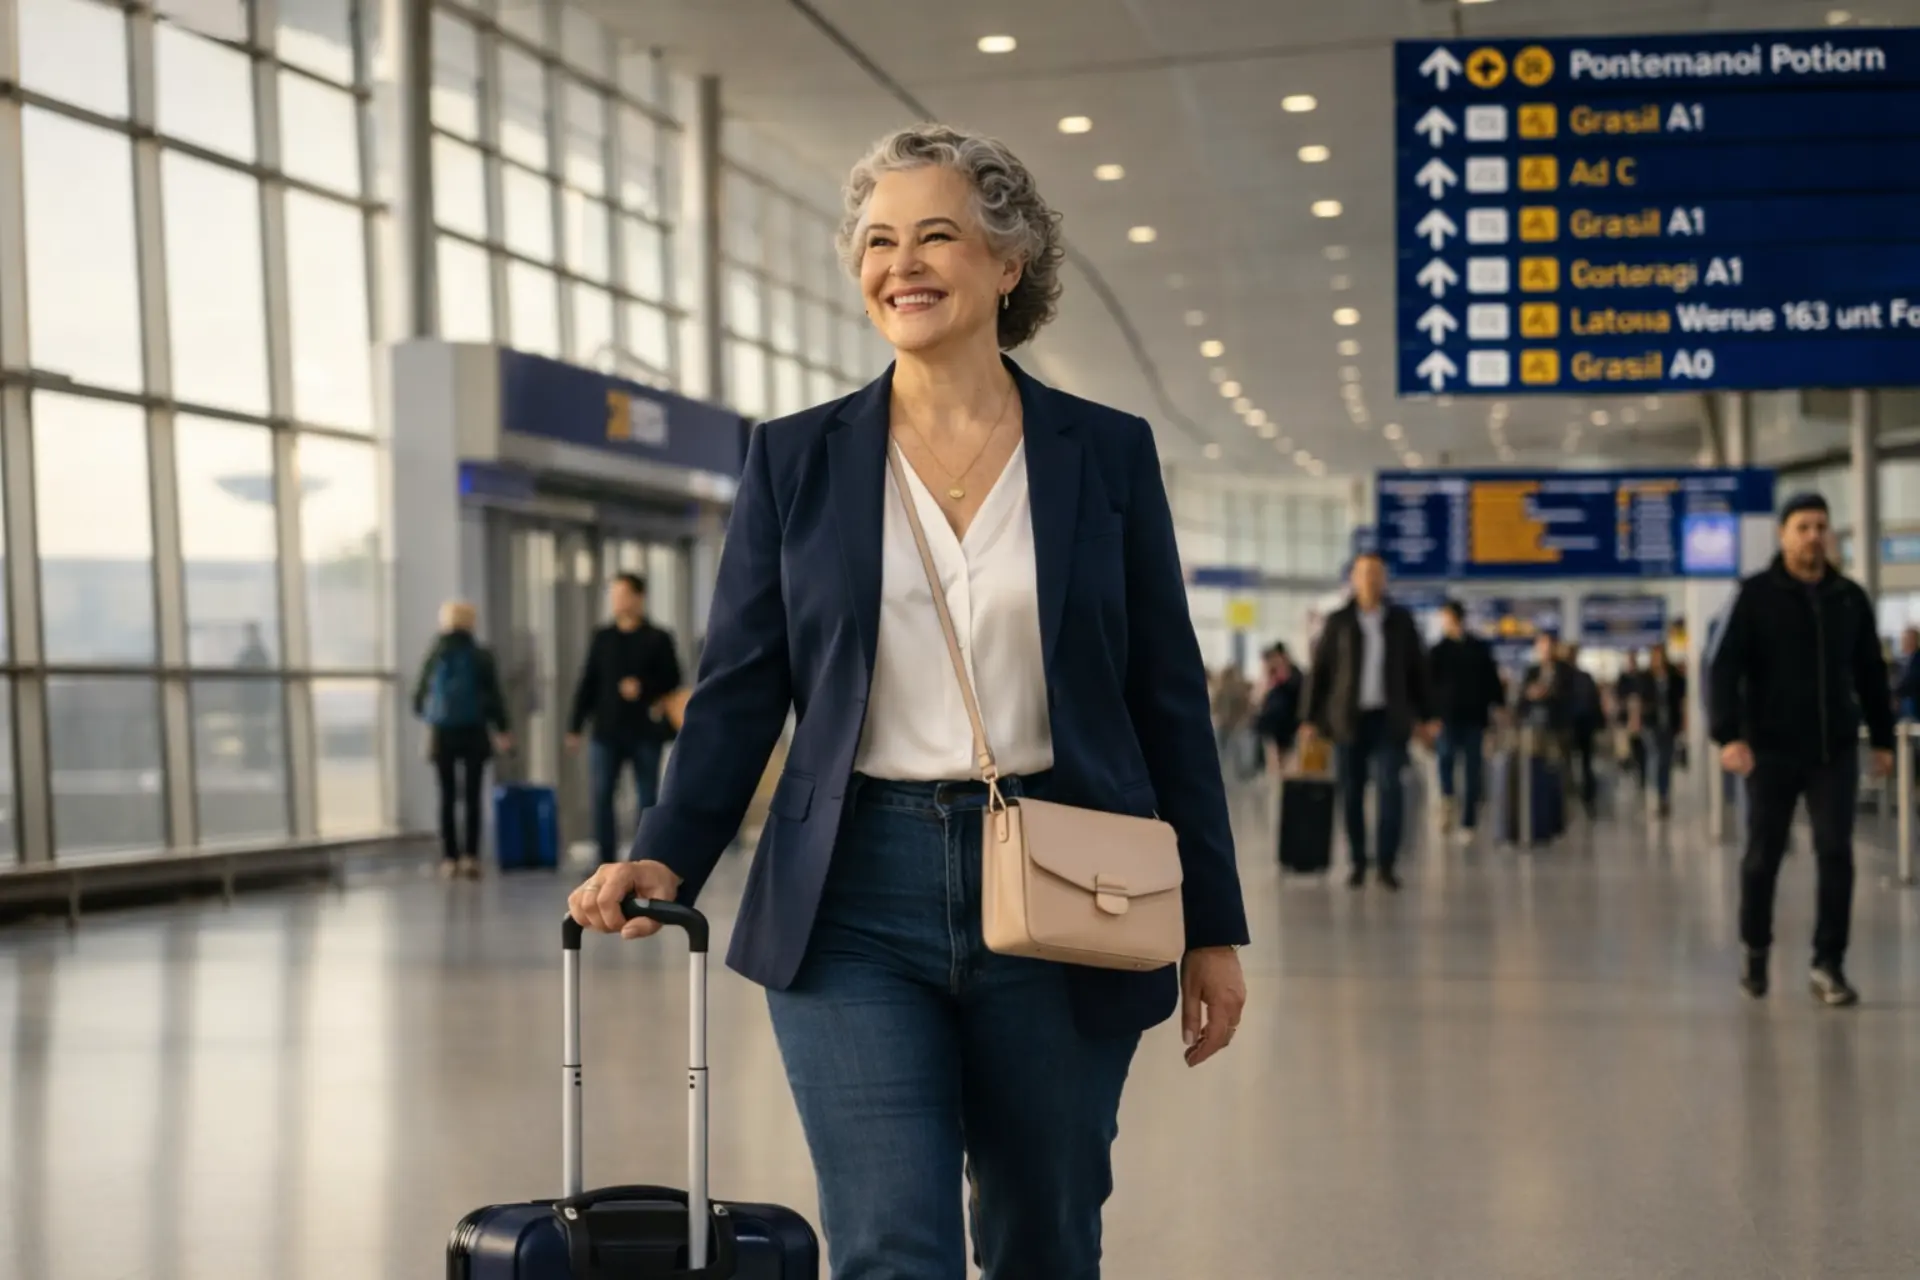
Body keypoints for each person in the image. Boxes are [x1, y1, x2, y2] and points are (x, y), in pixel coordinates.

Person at [566, 123, 1249, 1279]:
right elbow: (742, 687)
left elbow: (1164, 694)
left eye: (937, 235)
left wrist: (1213, 922)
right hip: (851, 888)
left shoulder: (1104, 453)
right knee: (892, 1244)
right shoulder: (800, 458)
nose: (903, 263)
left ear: (1006, 261)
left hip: (1067, 872)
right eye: (879, 241)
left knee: (1044, 1233)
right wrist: (665, 852)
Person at [1709, 492, 1893, 1006]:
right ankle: (1756, 946)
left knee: (1836, 852)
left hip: (1832, 749)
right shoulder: (1753, 596)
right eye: (1803, 527)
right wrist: (1728, 735)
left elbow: (1871, 675)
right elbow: (1722, 668)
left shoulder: (1849, 599)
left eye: (1820, 527)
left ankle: (1828, 962)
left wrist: (1881, 738)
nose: (1814, 536)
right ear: (1783, 535)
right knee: (1763, 855)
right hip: (1769, 748)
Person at [1299, 552, 1436, 890]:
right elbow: (1320, 672)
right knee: (1352, 793)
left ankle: (1387, 863)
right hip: (1347, 720)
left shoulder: (1401, 621)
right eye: (1364, 573)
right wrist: (1309, 718)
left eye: (1376, 573)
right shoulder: (1339, 621)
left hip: (1390, 720)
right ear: (1353, 579)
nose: (1371, 580)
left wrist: (1428, 715)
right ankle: (1358, 861)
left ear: (1384, 579)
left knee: (1391, 790)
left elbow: (1418, 671)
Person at [566, 573, 683, 865]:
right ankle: (605, 861)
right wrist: (575, 726)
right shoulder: (603, 638)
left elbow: (674, 679)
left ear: (638, 597)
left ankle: (645, 860)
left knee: (647, 798)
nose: (617, 601)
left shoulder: (658, 638)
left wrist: (643, 686)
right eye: (614, 595)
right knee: (602, 797)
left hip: (645, 730)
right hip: (606, 730)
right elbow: (588, 682)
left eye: (623, 594)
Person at [412, 601, 511, 879]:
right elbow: (493, 696)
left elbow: (418, 697)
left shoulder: (435, 653)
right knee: (472, 794)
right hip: (474, 730)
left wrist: (431, 714)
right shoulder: (480, 655)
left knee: (445, 795)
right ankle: (471, 856)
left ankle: (448, 858)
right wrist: (503, 729)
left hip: (443, 732)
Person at [1427, 600, 1503, 840]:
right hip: (1447, 718)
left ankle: (1468, 820)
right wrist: (1429, 716)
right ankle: (1447, 801)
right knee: (1445, 761)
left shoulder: (1479, 649)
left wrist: (1497, 707)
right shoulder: (1437, 651)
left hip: (1474, 717)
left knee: (1473, 770)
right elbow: (1427, 687)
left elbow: (1491, 681)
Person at [1633, 644, 1687, 819]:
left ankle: (1664, 796)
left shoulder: (1674, 677)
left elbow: (1682, 701)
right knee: (1654, 758)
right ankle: (1654, 796)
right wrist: (1637, 720)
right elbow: (1638, 701)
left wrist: (1684, 721)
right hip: (1651, 723)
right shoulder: (1645, 677)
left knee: (1666, 760)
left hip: (1669, 723)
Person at [1255, 643, 1305, 775]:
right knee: (1274, 763)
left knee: (1288, 764)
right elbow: (1261, 699)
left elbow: (1298, 698)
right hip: (1272, 726)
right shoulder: (1271, 677)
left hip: (1289, 726)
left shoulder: (1295, 676)